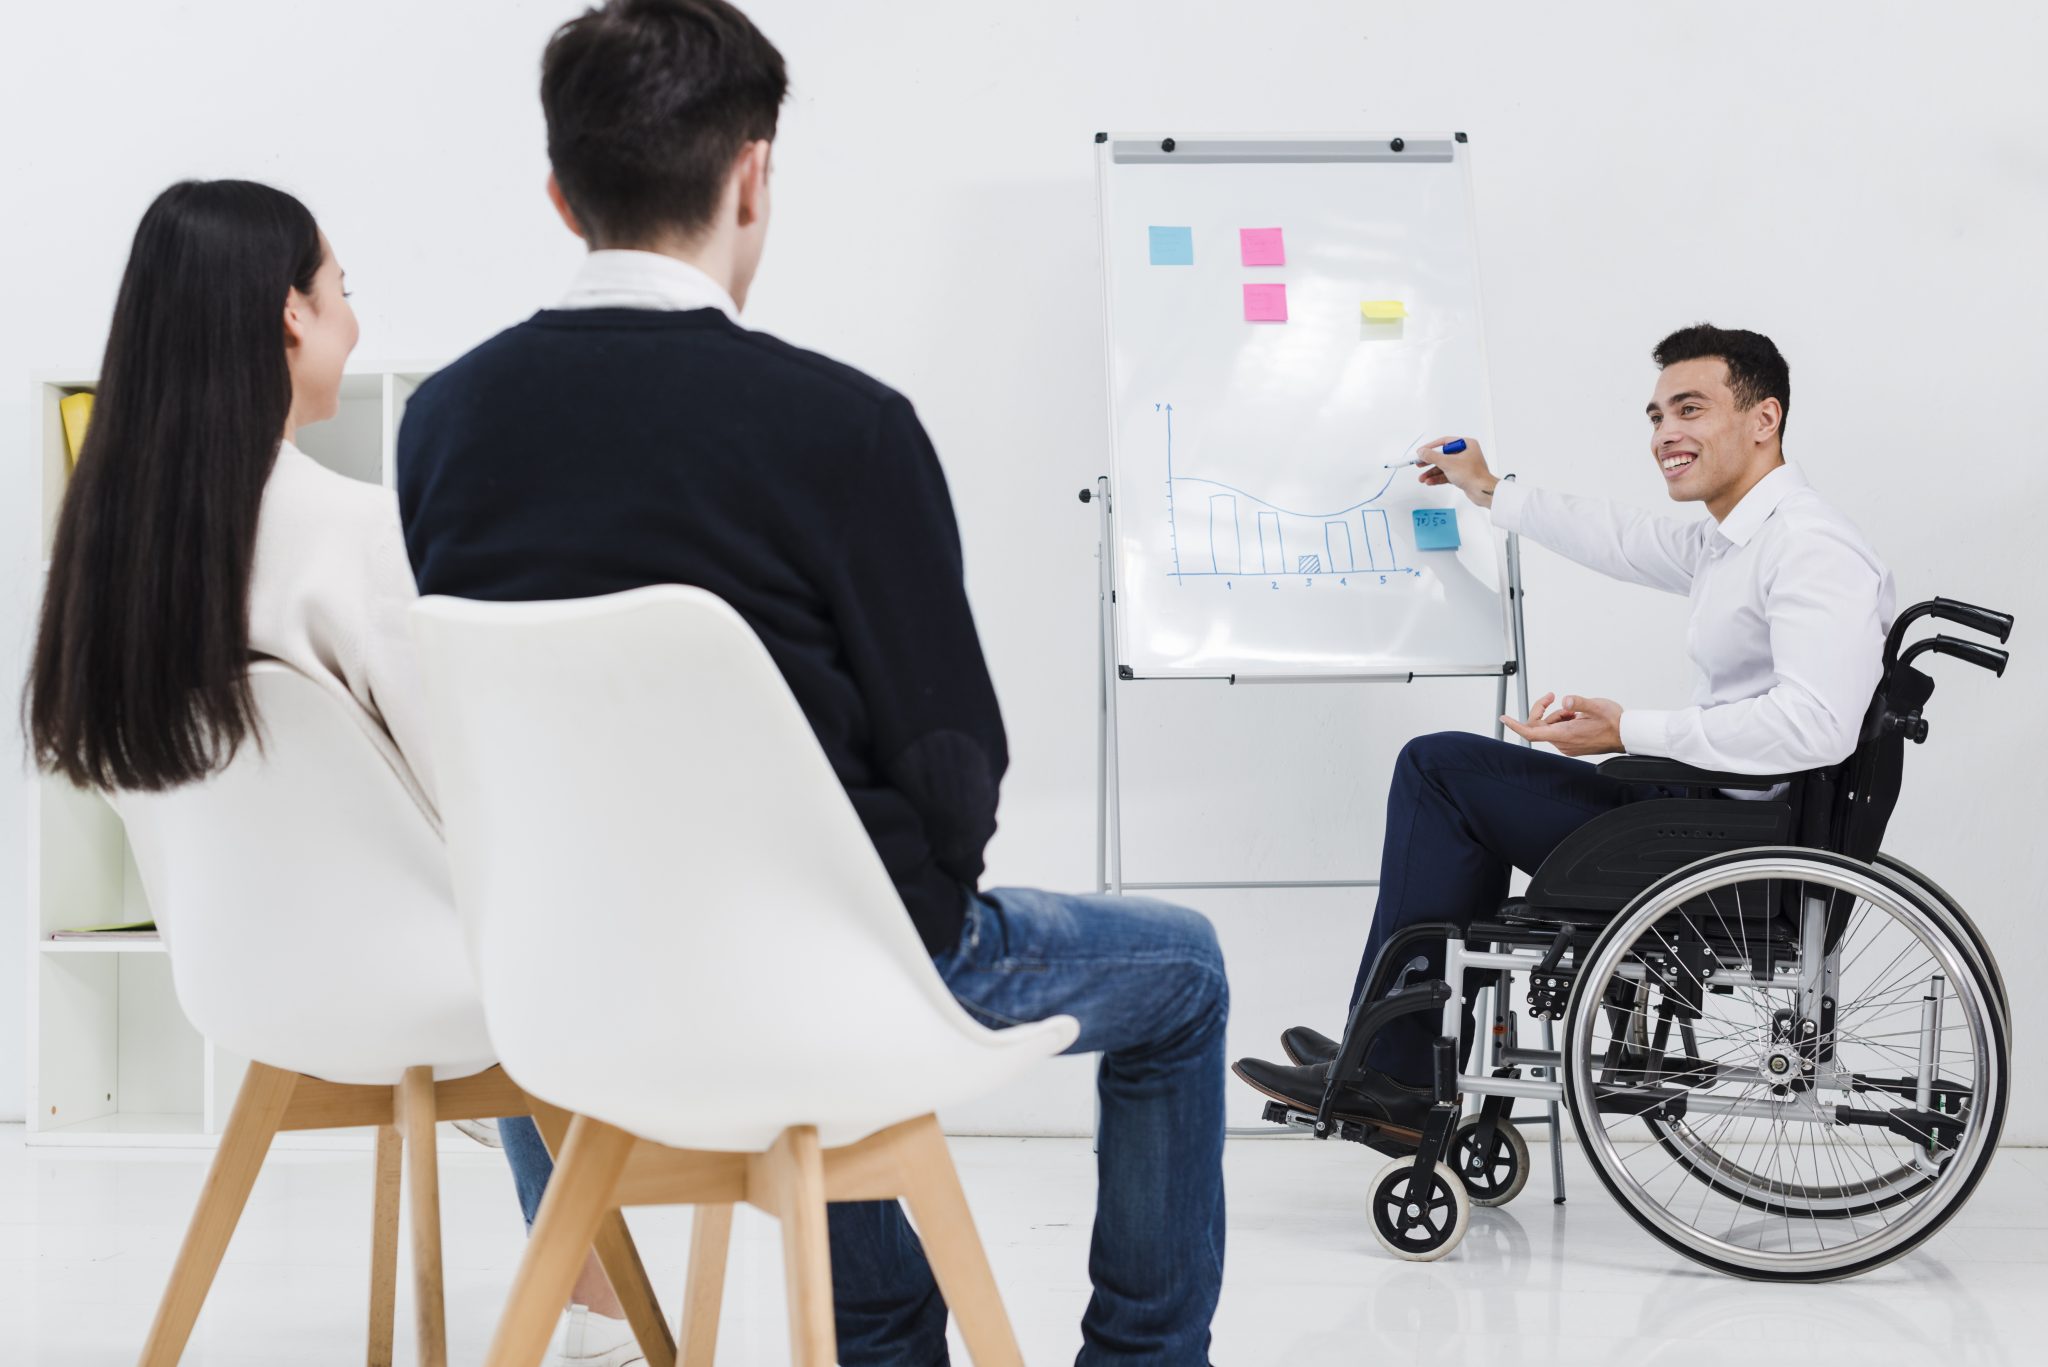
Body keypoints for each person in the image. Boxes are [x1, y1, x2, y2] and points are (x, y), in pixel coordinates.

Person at [396, 2, 1227, 1362]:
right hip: (818, 988)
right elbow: (956, 755)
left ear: (561, 195)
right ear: (753, 172)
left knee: (816, 935)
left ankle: (885, 1323)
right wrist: (905, 905)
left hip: (567, 991)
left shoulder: (443, 423)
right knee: (1178, 969)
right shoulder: (843, 425)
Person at [20, 177, 629, 1367]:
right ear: (290, 316)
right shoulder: (354, 530)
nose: (351, 320)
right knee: (541, 903)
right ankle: (602, 1306)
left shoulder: (101, 559)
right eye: (342, 291)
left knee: (497, 920)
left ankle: (594, 1296)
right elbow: (465, 784)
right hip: (431, 984)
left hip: (243, 987)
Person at [1232, 325, 1896, 1149]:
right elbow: (1619, 537)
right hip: (1710, 812)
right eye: (1655, 415)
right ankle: (1394, 1059)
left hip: (1725, 841)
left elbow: (1818, 725)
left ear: (1765, 418)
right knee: (1454, 782)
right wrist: (1488, 488)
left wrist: (1629, 727)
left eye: (1690, 409)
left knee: (1439, 771)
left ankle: (1395, 1071)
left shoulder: (1807, 545)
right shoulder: (1737, 538)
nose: (1665, 434)